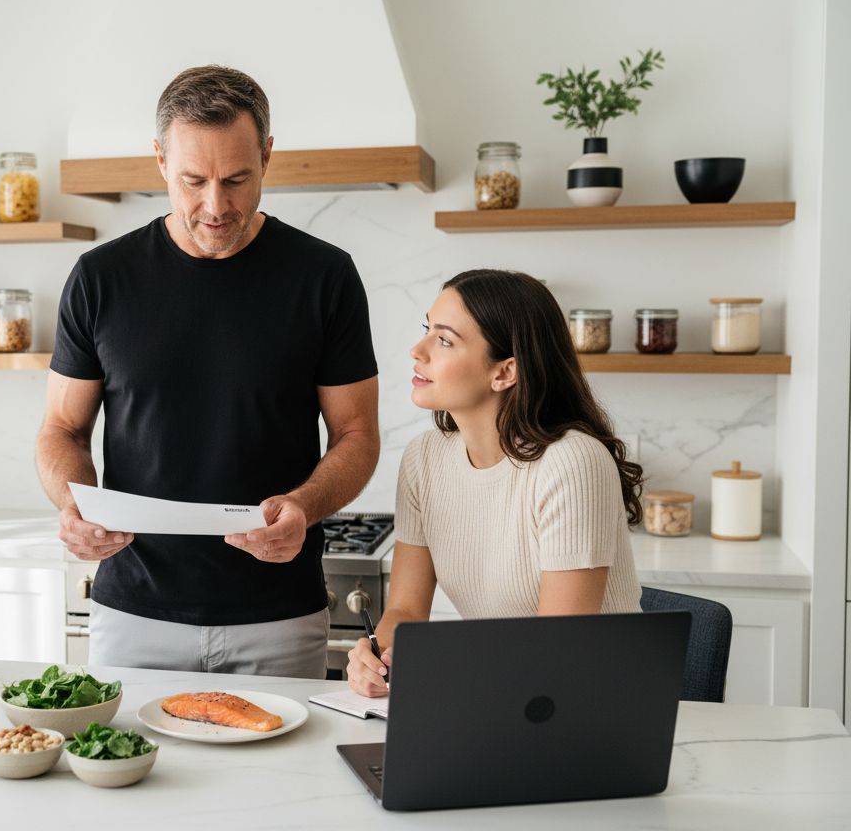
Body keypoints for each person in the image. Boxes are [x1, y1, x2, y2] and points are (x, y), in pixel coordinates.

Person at [36, 65, 380, 679]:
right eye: (194, 180)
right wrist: (72, 504)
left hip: (280, 618)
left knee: (288, 781)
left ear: (268, 157)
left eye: (237, 179)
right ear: (160, 160)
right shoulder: (100, 279)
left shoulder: (324, 278)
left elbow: (357, 434)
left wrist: (302, 505)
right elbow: (62, 428)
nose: (216, 206)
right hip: (134, 616)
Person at [347, 269, 644, 697]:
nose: (418, 350)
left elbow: (556, 650)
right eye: (427, 330)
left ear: (505, 372)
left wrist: (435, 669)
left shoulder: (571, 462)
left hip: (597, 706)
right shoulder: (424, 458)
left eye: (444, 340)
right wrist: (379, 657)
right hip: (509, 697)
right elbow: (406, 609)